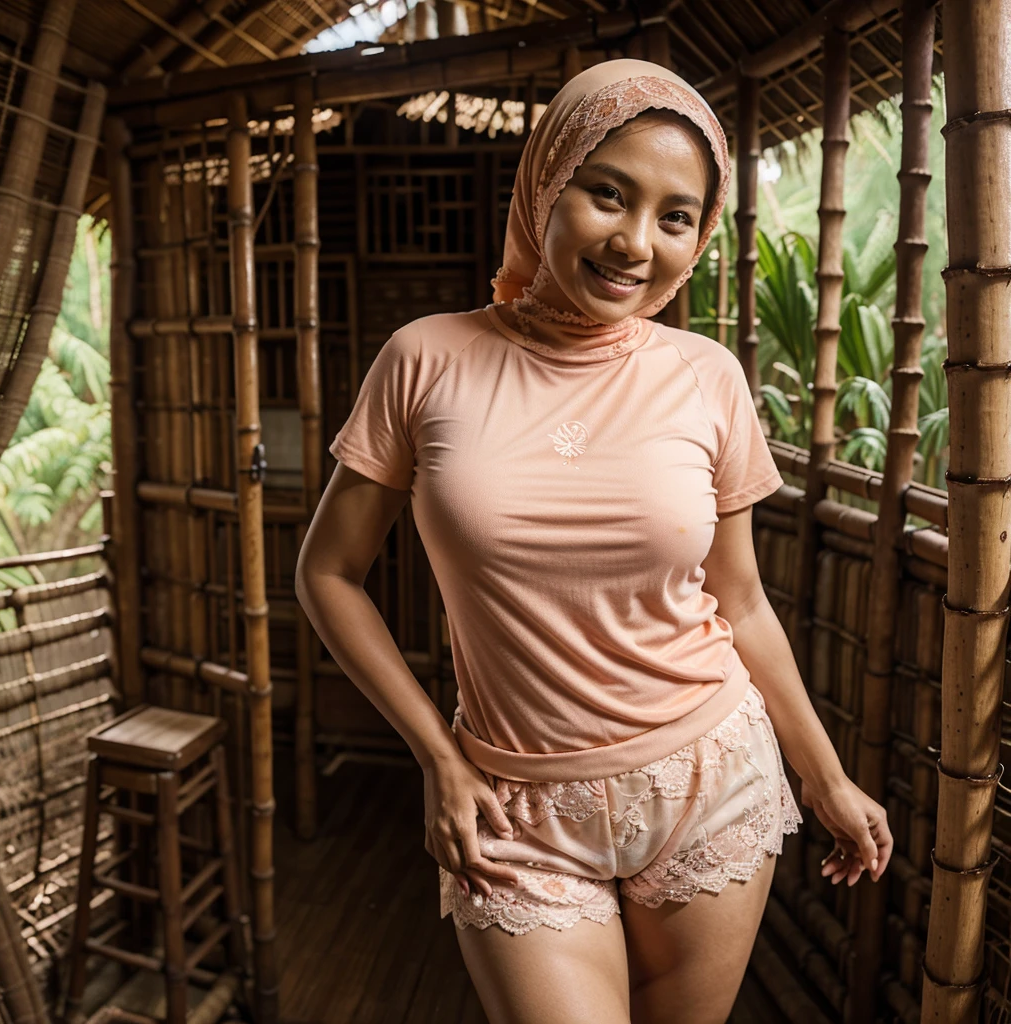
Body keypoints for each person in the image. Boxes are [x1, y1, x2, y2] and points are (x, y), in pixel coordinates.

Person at [295, 57, 893, 1024]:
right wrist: (439, 758)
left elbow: (738, 601)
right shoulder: (425, 357)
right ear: (545, 186)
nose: (634, 243)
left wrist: (825, 777)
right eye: (606, 194)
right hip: (514, 809)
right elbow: (327, 573)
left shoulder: (708, 378)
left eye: (675, 215)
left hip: (709, 777)